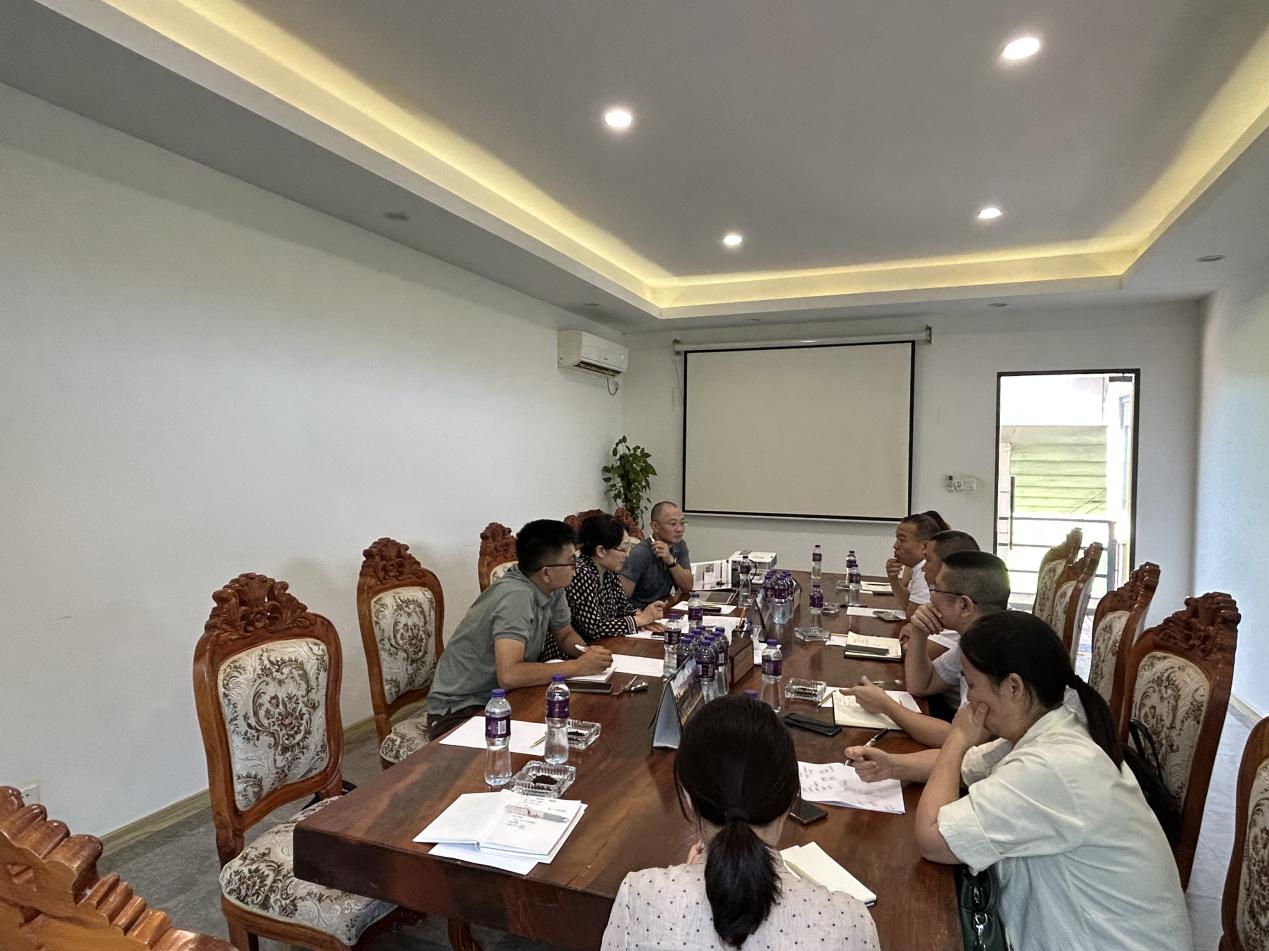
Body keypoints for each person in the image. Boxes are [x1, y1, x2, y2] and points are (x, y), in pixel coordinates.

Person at [913, 611, 1192, 951]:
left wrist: (957, 739)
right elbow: (964, 768)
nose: (969, 699)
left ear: (1013, 687)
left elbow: (932, 839)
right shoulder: (1052, 726)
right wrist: (890, 766)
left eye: (972, 684)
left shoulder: (1051, 765)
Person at [601, 696, 878, 950]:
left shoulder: (639, 898)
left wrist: (692, 876)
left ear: (687, 797)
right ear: (791, 799)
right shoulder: (850, 923)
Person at [425, 519, 612, 739]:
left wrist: (587, 654)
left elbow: (565, 634)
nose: (576, 568)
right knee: (556, 738)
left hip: (504, 697)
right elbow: (510, 674)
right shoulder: (516, 597)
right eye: (571, 562)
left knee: (577, 721)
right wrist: (578, 666)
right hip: (461, 708)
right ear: (546, 572)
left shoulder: (552, 586)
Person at [843, 551, 1010, 780]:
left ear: (964, 605)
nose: (930, 599)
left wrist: (886, 705)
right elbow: (922, 684)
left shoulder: (996, 653)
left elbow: (959, 740)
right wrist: (919, 633)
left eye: (935, 590)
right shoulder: (976, 636)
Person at [540, 514, 666, 660]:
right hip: (571, 652)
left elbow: (622, 607)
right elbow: (594, 628)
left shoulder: (610, 570)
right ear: (601, 551)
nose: (627, 555)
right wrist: (639, 620)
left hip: (604, 643)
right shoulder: (580, 572)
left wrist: (642, 617)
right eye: (623, 548)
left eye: (629, 548)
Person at [620, 501, 693, 609]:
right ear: (655, 526)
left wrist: (671, 561)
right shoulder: (640, 553)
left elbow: (687, 587)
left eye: (682, 523)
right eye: (673, 524)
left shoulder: (679, 545)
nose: (679, 529)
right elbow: (622, 598)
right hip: (641, 612)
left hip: (664, 607)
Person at [885, 510, 949, 616]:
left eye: (902, 540)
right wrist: (893, 579)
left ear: (925, 546)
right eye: (897, 539)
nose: (895, 546)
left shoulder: (926, 568)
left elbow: (913, 615)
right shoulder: (919, 566)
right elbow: (908, 605)